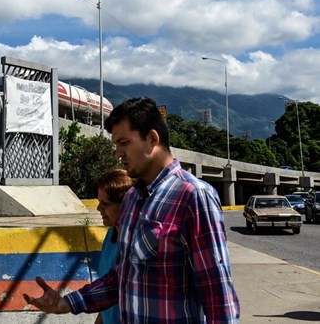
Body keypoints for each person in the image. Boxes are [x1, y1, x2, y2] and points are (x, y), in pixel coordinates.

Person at [24, 97, 240, 323]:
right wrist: (67, 303)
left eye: (124, 143)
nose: (117, 153)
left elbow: (217, 292)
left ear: (152, 138)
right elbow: (121, 280)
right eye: (116, 144)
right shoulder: (132, 199)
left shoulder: (193, 196)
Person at [90, 169, 135, 324]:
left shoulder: (135, 242)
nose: (98, 209)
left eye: (105, 204)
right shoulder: (110, 235)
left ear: (125, 205)